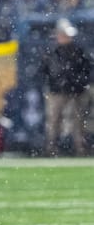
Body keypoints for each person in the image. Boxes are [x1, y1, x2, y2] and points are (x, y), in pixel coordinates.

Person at [37, 18, 91, 157]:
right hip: (57, 91)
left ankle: (80, 148)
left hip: (77, 90)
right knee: (54, 120)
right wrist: (54, 83)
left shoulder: (78, 50)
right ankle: (51, 149)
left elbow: (87, 69)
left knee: (78, 121)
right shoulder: (51, 52)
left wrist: (80, 82)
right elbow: (43, 71)